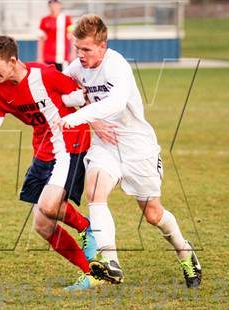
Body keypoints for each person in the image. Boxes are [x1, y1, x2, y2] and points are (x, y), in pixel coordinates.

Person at [0, 35, 104, 290]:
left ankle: (86, 228)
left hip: (70, 141)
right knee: (42, 224)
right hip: (43, 149)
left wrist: (79, 109)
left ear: (12, 60)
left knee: (50, 206)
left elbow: (80, 96)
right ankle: (91, 272)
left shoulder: (45, 75)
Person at [56, 15, 202, 288]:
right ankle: (111, 262)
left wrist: (78, 117)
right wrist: (91, 119)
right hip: (106, 147)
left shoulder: (117, 66)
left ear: (103, 46)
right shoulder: (76, 68)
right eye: (77, 48)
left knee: (153, 215)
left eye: (86, 49)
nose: (80, 55)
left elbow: (116, 101)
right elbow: (63, 94)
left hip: (137, 148)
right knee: (95, 192)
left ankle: (185, 251)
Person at [37, 0, 74, 71]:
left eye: (56, 4)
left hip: (62, 56)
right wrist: (40, 57)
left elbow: (72, 37)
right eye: (52, 4)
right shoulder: (44, 20)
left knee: (62, 77)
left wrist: (72, 52)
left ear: (60, 5)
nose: (54, 6)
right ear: (49, 6)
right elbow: (41, 39)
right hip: (47, 56)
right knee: (48, 78)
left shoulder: (67, 19)